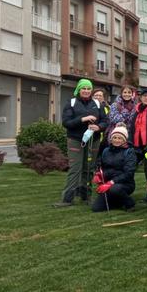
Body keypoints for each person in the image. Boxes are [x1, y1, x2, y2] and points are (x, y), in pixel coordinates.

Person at [54, 79, 108, 207]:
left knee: (89, 169)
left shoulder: (97, 103)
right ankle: (67, 199)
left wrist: (99, 127)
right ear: (79, 89)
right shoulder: (71, 103)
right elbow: (66, 123)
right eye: (83, 88)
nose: (86, 91)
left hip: (93, 140)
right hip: (75, 140)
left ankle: (85, 197)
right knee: (75, 169)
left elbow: (105, 121)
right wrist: (82, 119)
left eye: (88, 89)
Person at [92, 124, 137, 212]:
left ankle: (130, 203)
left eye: (120, 138)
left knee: (115, 189)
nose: (116, 140)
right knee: (96, 208)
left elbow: (128, 173)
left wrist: (112, 182)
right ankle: (118, 202)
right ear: (111, 139)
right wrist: (98, 175)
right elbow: (100, 166)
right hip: (108, 183)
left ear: (124, 140)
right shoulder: (106, 151)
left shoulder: (129, 152)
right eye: (114, 137)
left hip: (125, 183)